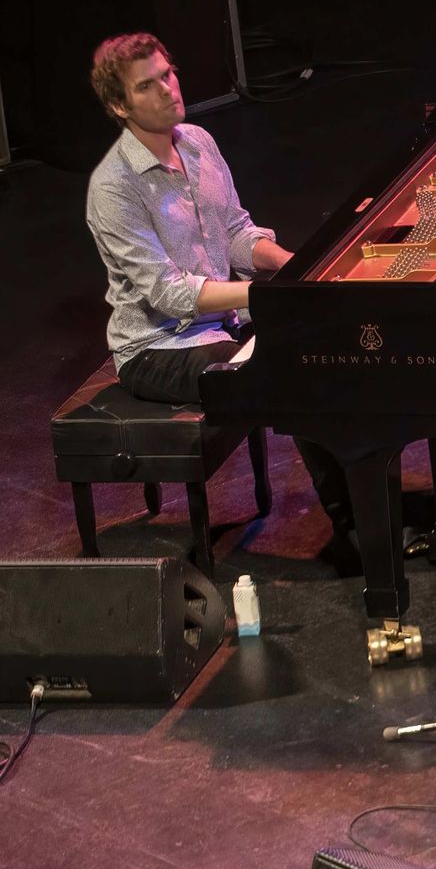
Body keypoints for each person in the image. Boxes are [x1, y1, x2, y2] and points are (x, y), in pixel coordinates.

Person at [84, 32, 358, 567]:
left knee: (323, 342)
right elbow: (168, 294)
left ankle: (374, 503)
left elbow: (234, 232)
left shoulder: (198, 142)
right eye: (148, 85)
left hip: (220, 321)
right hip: (157, 349)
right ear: (120, 105)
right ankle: (353, 532)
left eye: (169, 74)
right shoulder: (113, 188)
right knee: (286, 369)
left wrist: (297, 267)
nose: (168, 90)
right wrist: (264, 294)